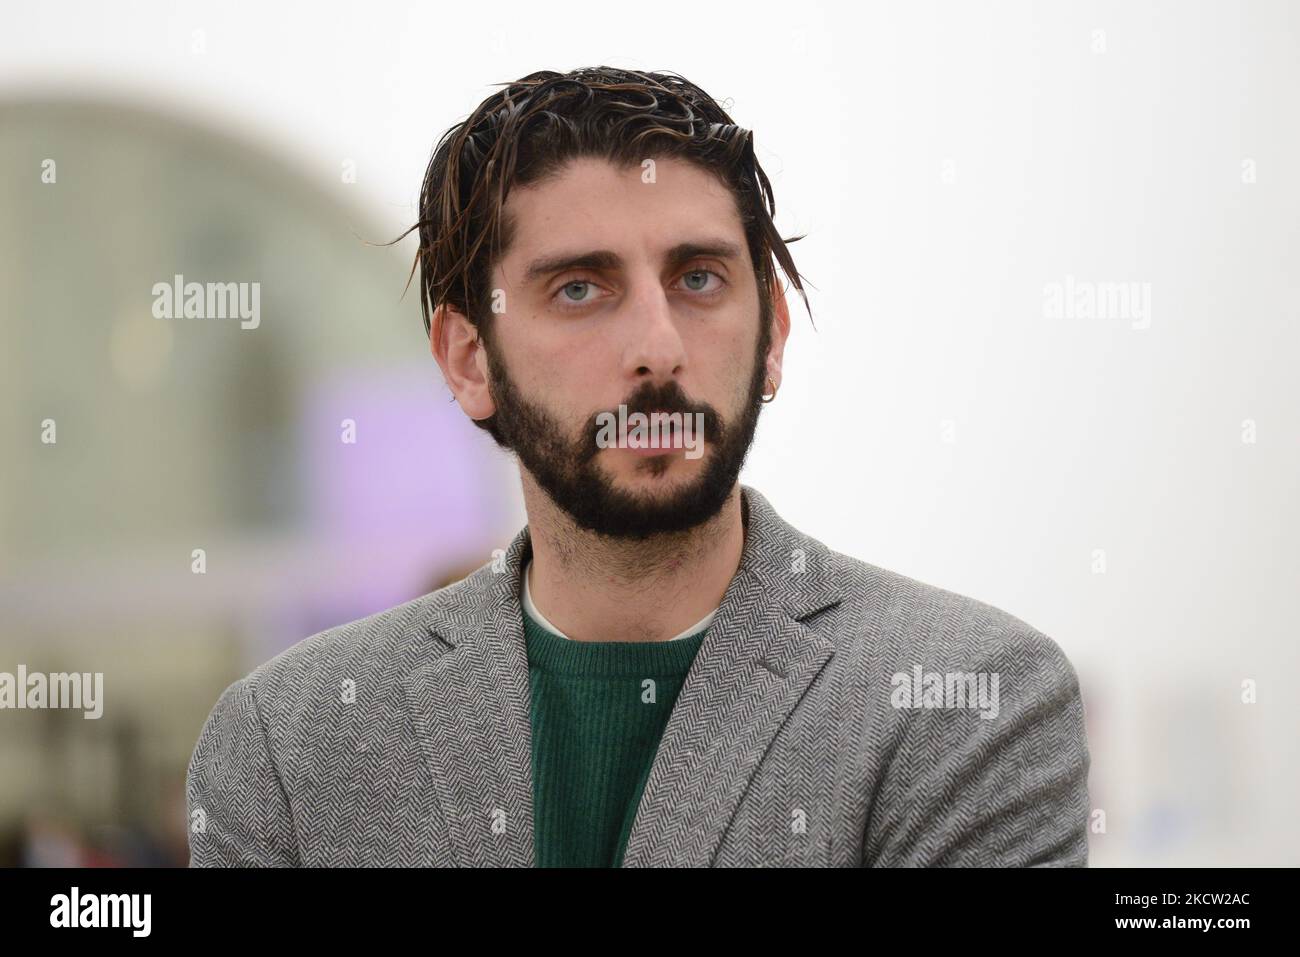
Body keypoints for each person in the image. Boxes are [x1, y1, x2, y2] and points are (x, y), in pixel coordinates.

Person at [187, 66, 1089, 867]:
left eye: (698, 279)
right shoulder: (292, 746)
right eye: (580, 288)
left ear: (771, 333)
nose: (658, 348)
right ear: (470, 361)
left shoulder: (964, 699)